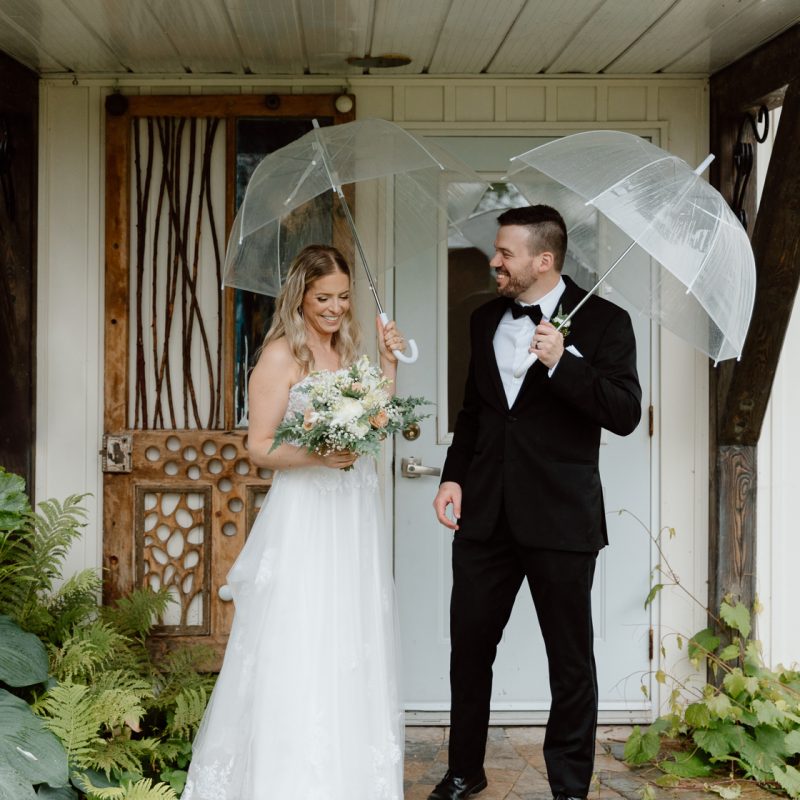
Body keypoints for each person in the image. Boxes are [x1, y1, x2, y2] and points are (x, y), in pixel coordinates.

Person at [430, 206, 642, 800]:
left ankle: (569, 787)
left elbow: (625, 413)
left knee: (570, 662)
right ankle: (464, 771)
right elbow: (475, 413)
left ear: (542, 261)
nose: (493, 261)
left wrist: (563, 363)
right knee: (469, 650)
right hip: (485, 517)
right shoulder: (482, 319)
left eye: (505, 253)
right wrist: (453, 477)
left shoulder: (605, 322)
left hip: (561, 519)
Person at [183, 244, 406, 800]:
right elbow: (259, 448)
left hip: (352, 510)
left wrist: (388, 364)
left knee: (351, 634)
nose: (334, 308)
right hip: (307, 513)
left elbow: (375, 422)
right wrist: (317, 457)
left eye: (343, 298)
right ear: (300, 297)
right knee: (302, 631)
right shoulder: (282, 356)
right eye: (323, 298)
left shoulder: (351, 350)